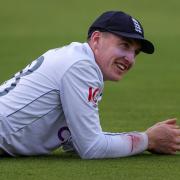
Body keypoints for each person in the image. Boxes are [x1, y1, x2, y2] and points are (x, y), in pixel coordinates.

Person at [0, 10, 180, 159]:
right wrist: (147, 140)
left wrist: (144, 138)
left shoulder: (77, 59)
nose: (130, 59)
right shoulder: (81, 67)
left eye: (136, 52)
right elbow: (92, 147)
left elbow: (78, 142)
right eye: (124, 45)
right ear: (96, 40)